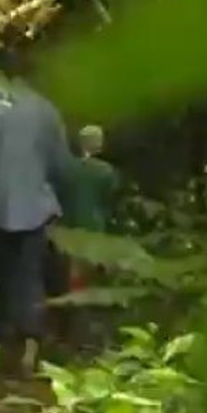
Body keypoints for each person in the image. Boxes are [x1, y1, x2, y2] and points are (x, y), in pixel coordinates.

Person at [0, 51, 73, 378]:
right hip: (36, 209)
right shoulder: (48, 111)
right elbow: (61, 166)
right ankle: (30, 343)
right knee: (29, 274)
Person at [62, 124, 119, 290]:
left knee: (74, 268)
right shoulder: (106, 171)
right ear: (98, 143)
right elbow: (109, 200)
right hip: (95, 225)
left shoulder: (67, 168)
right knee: (92, 268)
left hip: (69, 225)